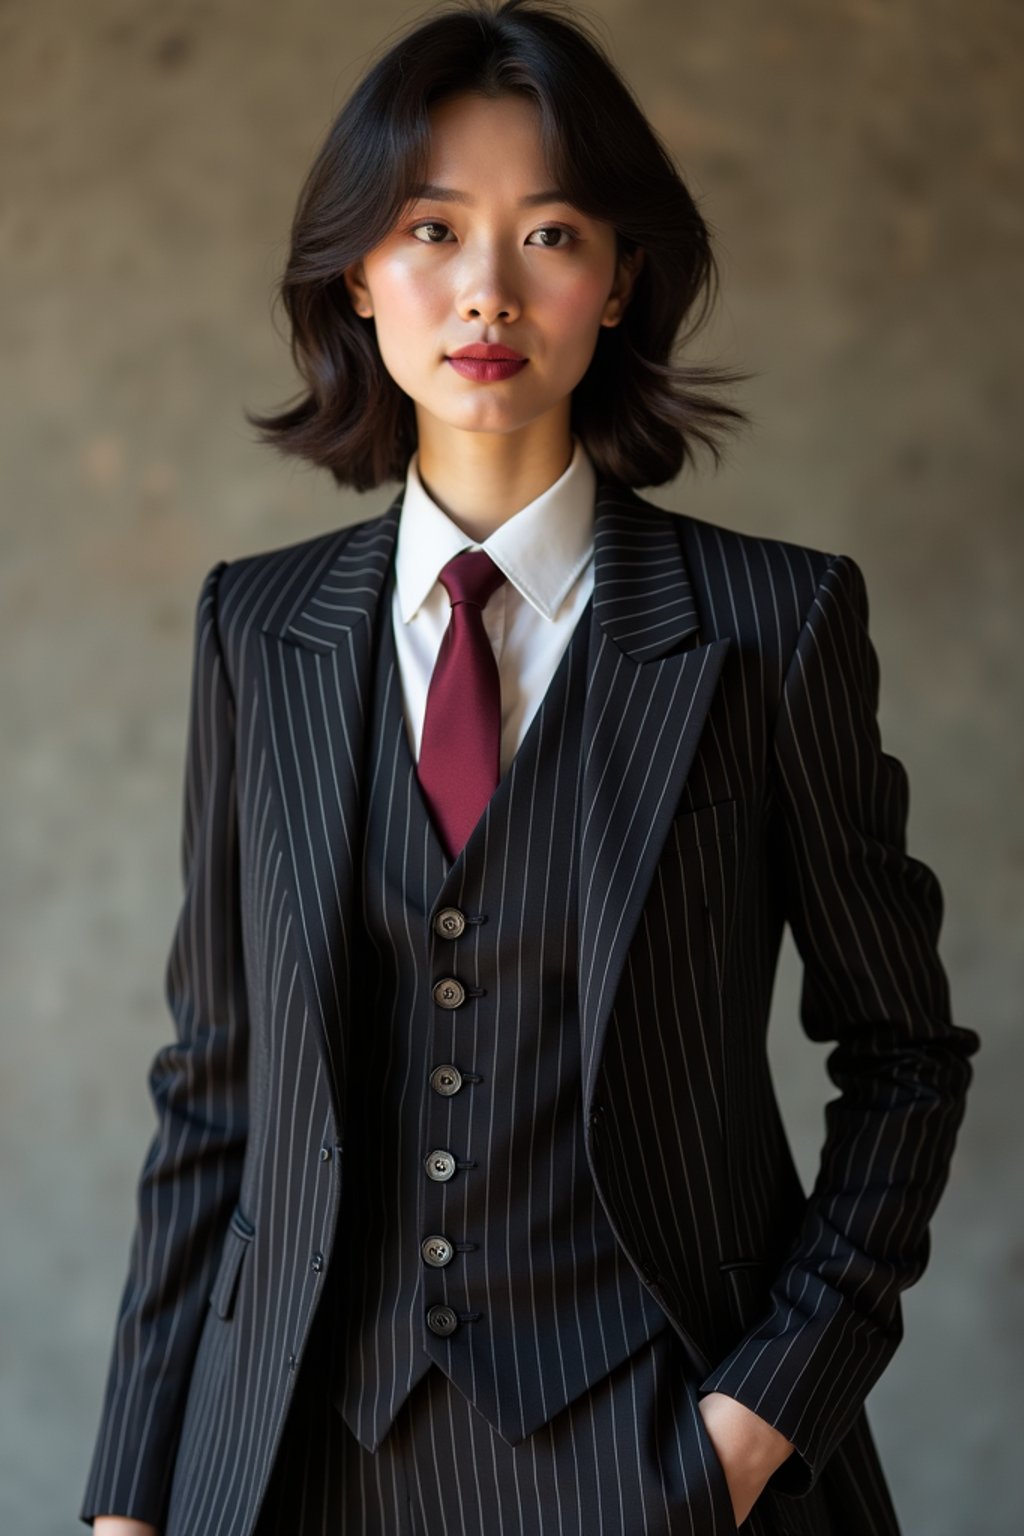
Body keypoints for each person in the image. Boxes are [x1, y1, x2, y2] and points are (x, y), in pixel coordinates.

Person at [81, 2, 979, 1533]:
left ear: (621, 279)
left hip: (657, 1463)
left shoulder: (772, 624)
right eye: (432, 227)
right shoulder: (260, 627)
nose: (487, 289)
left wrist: (755, 1423)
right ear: (359, 275)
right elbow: (216, 1096)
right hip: (302, 1461)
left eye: (551, 232)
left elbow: (904, 1060)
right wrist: (129, 1500)